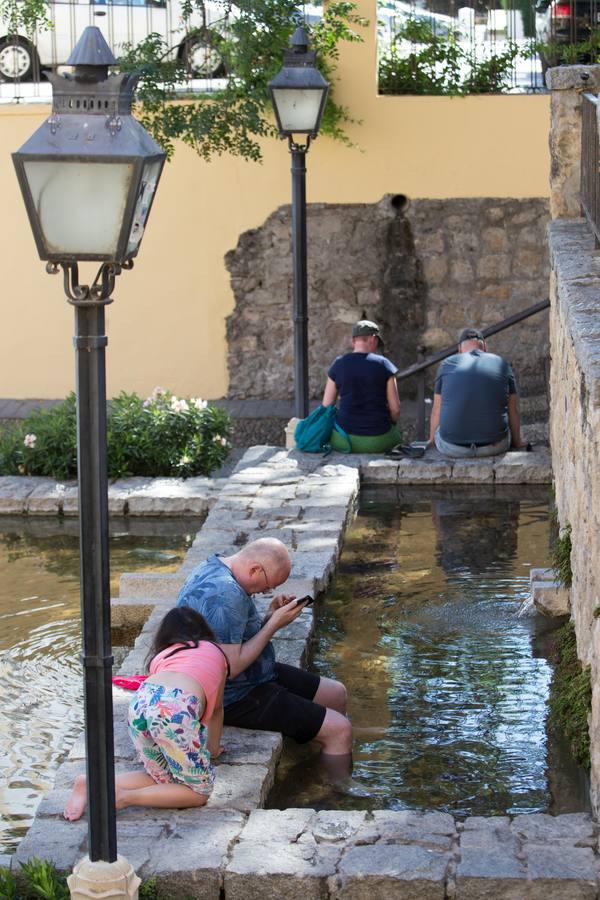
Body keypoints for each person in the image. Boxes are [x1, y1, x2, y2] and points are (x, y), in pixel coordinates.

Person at [175, 537, 353, 776]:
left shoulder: (215, 565)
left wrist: (269, 616)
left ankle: (318, 752)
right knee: (340, 729)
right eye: (269, 585)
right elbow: (231, 666)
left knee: (336, 693)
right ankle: (332, 791)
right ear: (255, 569)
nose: (267, 591)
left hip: (256, 673)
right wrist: (274, 625)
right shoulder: (226, 594)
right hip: (233, 694)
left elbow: (231, 638)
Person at [64, 607, 229, 820]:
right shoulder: (215, 651)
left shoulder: (163, 655)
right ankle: (123, 797)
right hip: (175, 707)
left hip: (141, 703)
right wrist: (212, 751)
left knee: (164, 777)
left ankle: (91, 783)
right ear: (205, 629)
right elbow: (216, 710)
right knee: (199, 791)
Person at [428, 327, 528, 458]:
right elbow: (512, 409)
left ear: (459, 349)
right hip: (495, 446)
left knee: (440, 432)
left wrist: (431, 440)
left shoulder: (446, 365)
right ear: (485, 347)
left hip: (452, 448)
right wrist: (518, 442)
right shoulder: (502, 364)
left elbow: (437, 409)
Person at [322, 319, 402, 453]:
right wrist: (391, 424)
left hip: (343, 440)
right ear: (373, 339)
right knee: (397, 439)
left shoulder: (338, 364)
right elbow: (395, 410)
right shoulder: (384, 364)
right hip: (379, 439)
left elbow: (326, 406)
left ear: (353, 341)